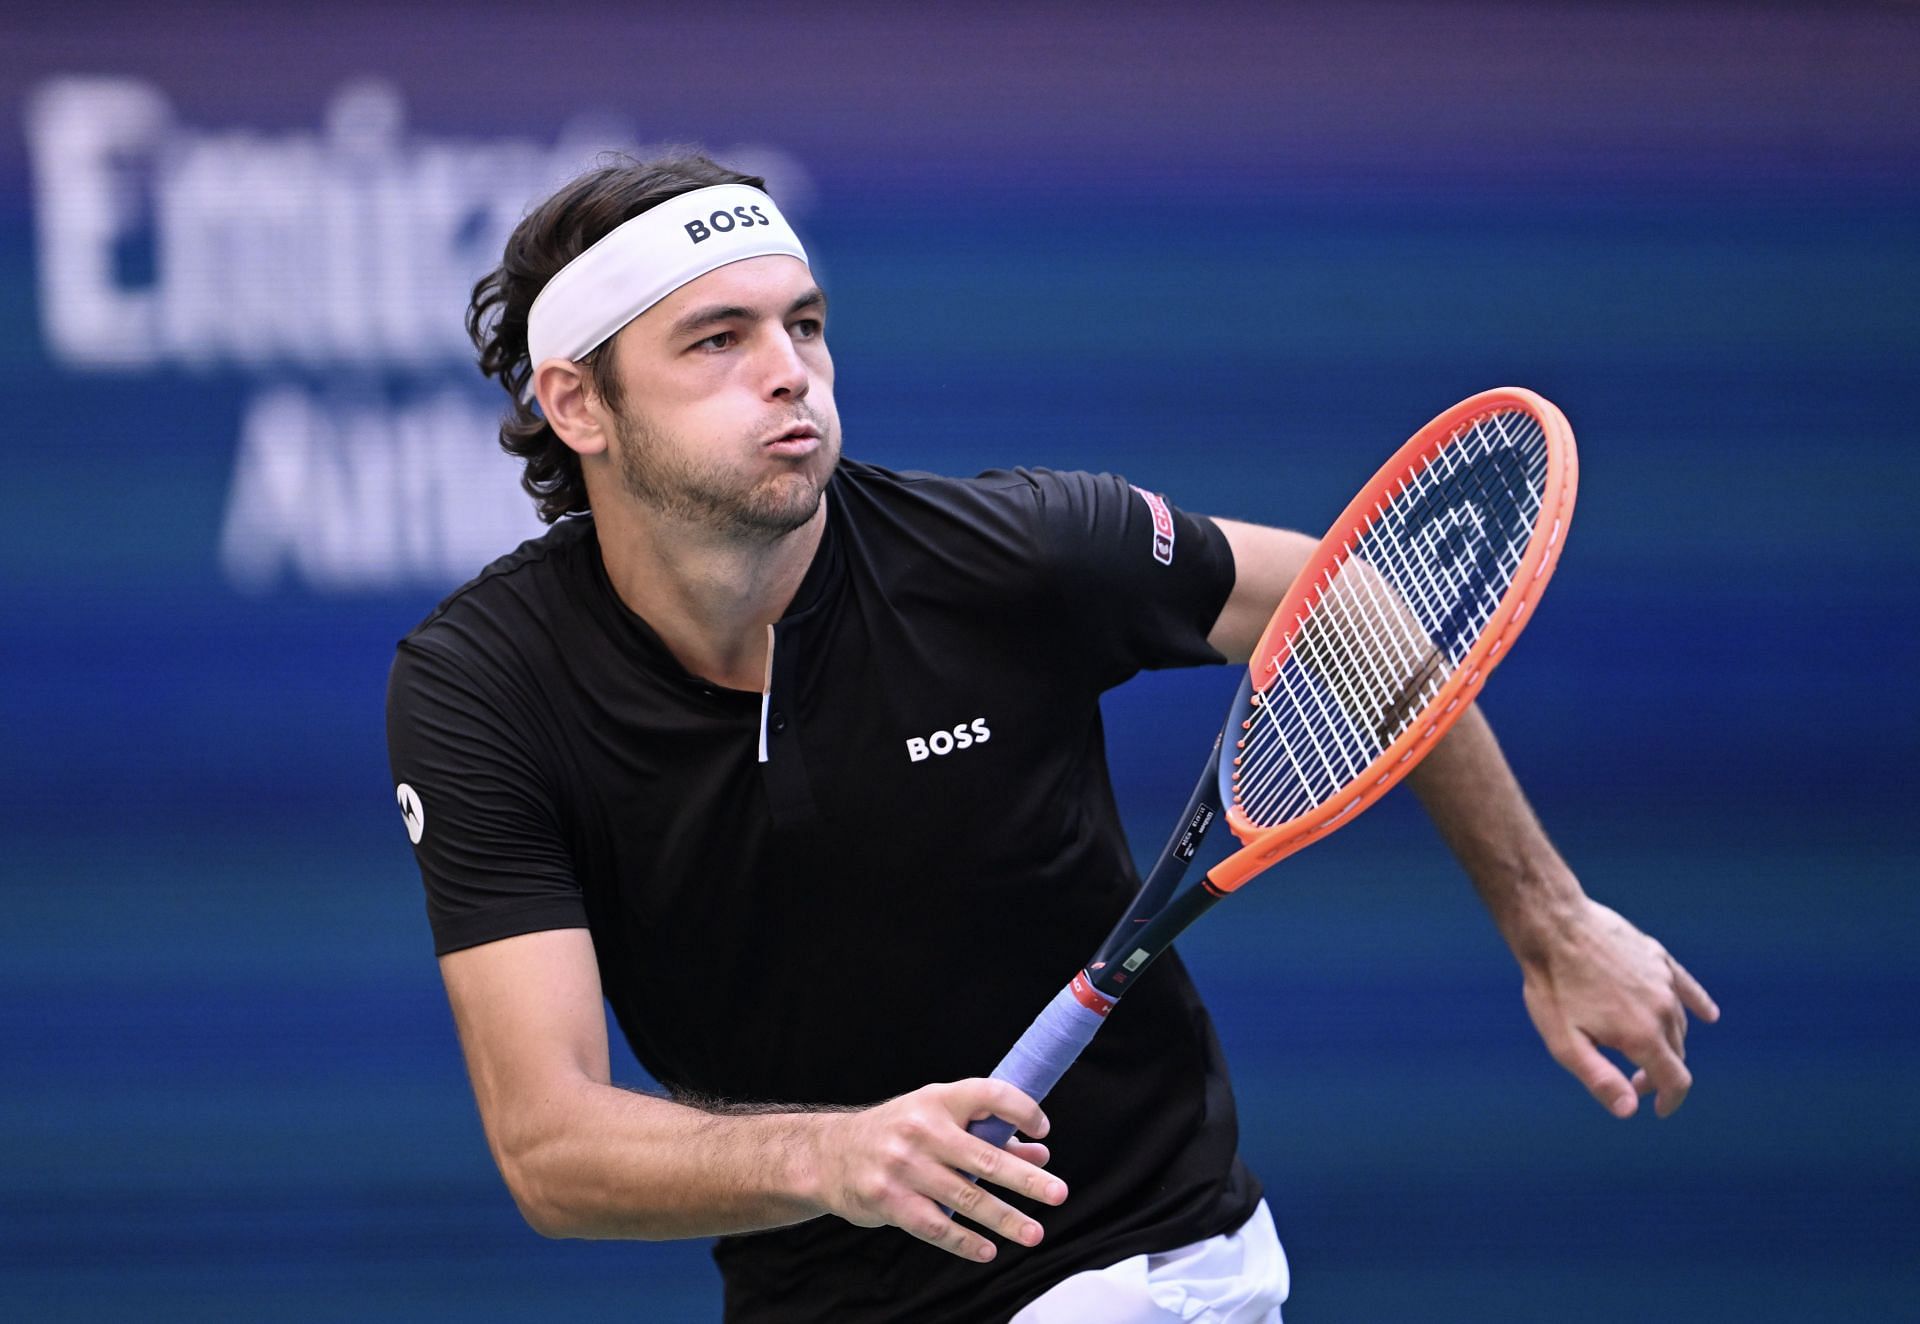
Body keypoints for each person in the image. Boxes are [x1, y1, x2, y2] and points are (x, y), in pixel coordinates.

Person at [385, 152, 1719, 1324]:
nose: (789, 371)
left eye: (804, 324)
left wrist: (1550, 920)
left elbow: (1351, 603)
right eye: (715, 340)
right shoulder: (484, 690)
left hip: (1140, 1265)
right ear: (579, 405)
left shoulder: (1011, 556)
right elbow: (549, 1147)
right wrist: (834, 1160)